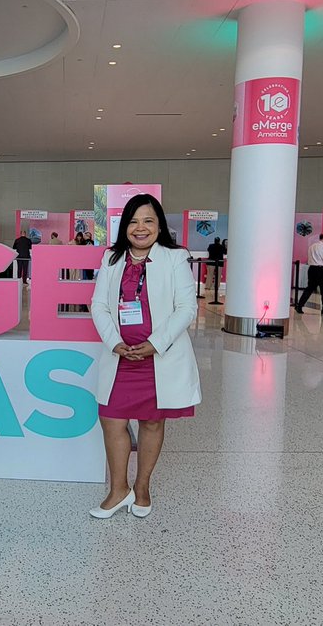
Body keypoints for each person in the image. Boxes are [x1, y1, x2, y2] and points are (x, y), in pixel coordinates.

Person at [88, 193, 199, 519]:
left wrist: (155, 343)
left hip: (158, 357)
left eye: (148, 221)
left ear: (159, 225)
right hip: (120, 356)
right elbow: (99, 305)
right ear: (124, 227)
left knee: (152, 421)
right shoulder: (111, 258)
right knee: (111, 418)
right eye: (134, 221)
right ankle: (118, 490)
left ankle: (142, 487)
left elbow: (186, 308)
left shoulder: (175, 258)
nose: (140, 228)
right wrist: (114, 342)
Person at [294, 233, 323, 315]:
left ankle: (299, 305)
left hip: (311, 269)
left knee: (309, 289)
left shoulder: (311, 247)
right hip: (321, 270)